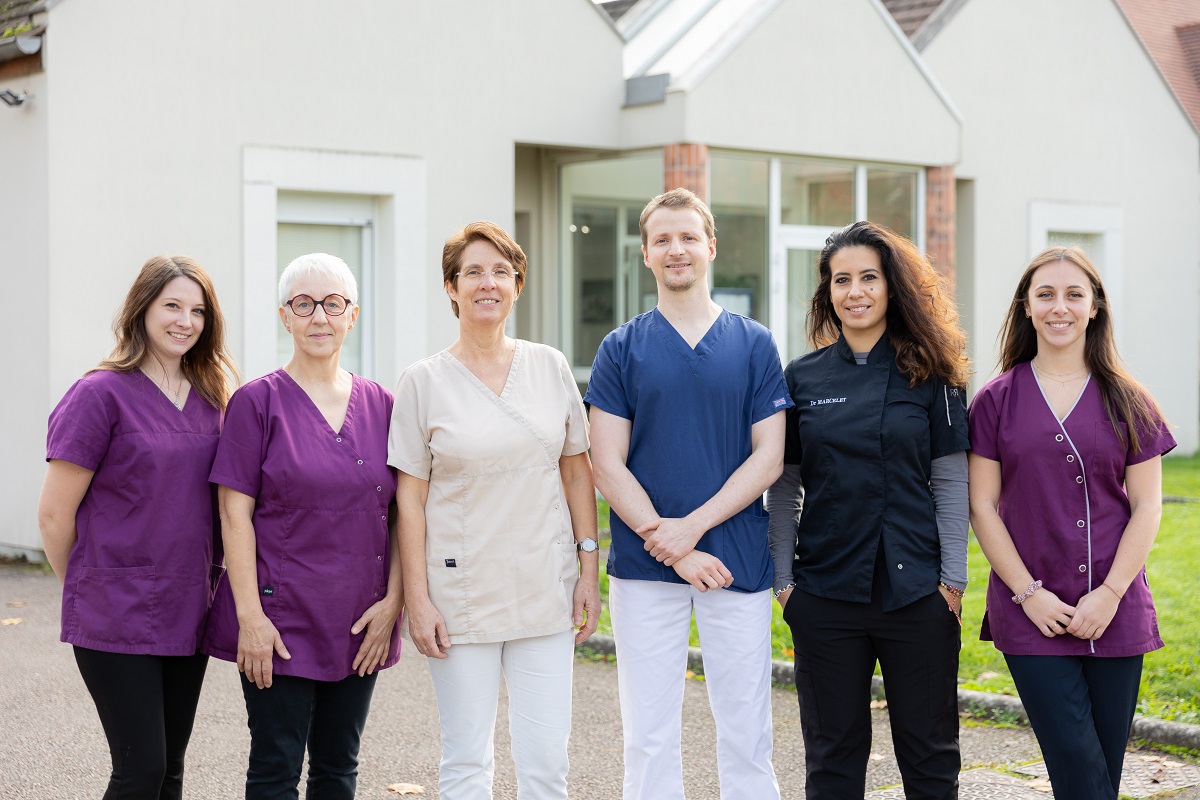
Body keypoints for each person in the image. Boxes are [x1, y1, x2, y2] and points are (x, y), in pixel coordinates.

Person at [586, 188, 789, 800]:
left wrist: (689, 529)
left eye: (688, 237)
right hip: (645, 568)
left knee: (748, 730)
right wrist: (668, 542)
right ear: (646, 254)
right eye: (663, 239)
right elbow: (605, 462)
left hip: (736, 563)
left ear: (710, 248)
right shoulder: (621, 349)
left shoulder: (754, 344)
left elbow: (770, 457)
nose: (677, 249)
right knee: (647, 735)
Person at [388, 221, 599, 800]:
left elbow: (576, 470)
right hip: (460, 594)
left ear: (518, 285)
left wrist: (588, 569)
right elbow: (410, 497)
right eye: (473, 272)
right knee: (464, 761)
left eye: (501, 272)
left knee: (545, 765)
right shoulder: (422, 381)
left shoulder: (550, 365)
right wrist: (418, 596)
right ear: (451, 288)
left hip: (544, 586)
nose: (488, 283)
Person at [768, 220, 971, 800]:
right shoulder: (802, 378)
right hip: (825, 595)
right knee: (832, 761)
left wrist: (951, 583)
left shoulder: (934, 374)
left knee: (931, 758)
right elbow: (784, 487)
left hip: (917, 596)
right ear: (827, 293)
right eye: (841, 280)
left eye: (868, 278)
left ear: (892, 286)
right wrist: (785, 583)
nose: (854, 291)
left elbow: (951, 480)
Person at [967, 246, 1173, 800]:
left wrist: (1108, 594)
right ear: (1027, 308)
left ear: (1095, 306)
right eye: (1046, 295)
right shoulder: (995, 401)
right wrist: (1028, 593)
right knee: (1079, 767)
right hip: (1032, 614)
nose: (1060, 307)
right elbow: (982, 506)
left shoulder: (1130, 400)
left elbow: (1148, 507)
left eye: (1074, 294)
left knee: (1099, 771)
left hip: (1116, 610)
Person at [202, 253, 402, 799]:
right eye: (304, 304)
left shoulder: (382, 404)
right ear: (285, 316)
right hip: (279, 618)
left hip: (362, 618)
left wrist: (393, 606)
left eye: (333, 304)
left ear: (352, 315)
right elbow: (233, 514)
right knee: (275, 765)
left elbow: (403, 513)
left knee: (339, 767)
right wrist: (251, 618)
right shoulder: (256, 403)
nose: (320, 317)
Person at [38, 255, 237, 799]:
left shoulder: (214, 395)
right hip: (114, 611)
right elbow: (54, 515)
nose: (185, 321)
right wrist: (86, 585)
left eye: (197, 311)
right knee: (139, 770)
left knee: (170, 771)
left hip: (189, 604)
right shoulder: (99, 394)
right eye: (172, 305)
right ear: (142, 309)